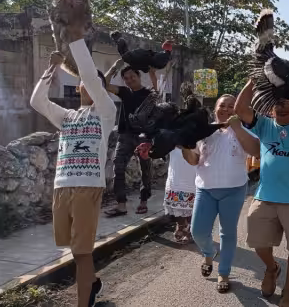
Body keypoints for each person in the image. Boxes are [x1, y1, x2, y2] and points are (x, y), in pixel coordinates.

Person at [30, 30, 117, 306]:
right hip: (62, 185)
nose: (87, 85)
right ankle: (91, 282)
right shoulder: (67, 116)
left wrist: (75, 39)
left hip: (87, 187)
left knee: (81, 251)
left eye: (94, 84)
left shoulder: (104, 113)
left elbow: (92, 76)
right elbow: (37, 102)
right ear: (78, 87)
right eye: (82, 83)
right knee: (72, 247)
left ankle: (84, 301)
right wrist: (52, 67)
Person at [235, 80, 289, 307]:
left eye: (287, 104)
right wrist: (254, 81)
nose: (282, 107)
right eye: (278, 104)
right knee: (257, 241)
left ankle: (288, 291)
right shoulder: (264, 125)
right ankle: (272, 267)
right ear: (271, 108)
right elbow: (240, 110)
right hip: (265, 196)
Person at [181, 94, 259, 293]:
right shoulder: (204, 132)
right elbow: (194, 160)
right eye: (222, 105)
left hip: (233, 190)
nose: (226, 109)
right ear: (215, 109)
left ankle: (223, 273)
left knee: (227, 232)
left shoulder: (244, 130)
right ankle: (209, 253)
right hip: (205, 189)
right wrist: (184, 146)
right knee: (197, 231)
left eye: (231, 106)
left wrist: (236, 127)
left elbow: (255, 150)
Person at [103, 62, 158, 216]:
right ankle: (121, 205)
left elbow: (156, 92)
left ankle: (143, 201)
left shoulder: (148, 93)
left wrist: (153, 73)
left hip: (144, 136)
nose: (129, 80)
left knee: (145, 169)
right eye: (126, 78)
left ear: (139, 76)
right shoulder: (125, 92)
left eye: (132, 76)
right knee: (117, 167)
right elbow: (104, 84)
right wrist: (114, 67)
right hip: (125, 135)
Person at [163, 86, 199, 243]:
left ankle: (190, 227)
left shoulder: (201, 130)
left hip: (193, 172)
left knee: (191, 204)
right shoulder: (173, 128)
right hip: (176, 172)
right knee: (176, 202)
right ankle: (181, 226)